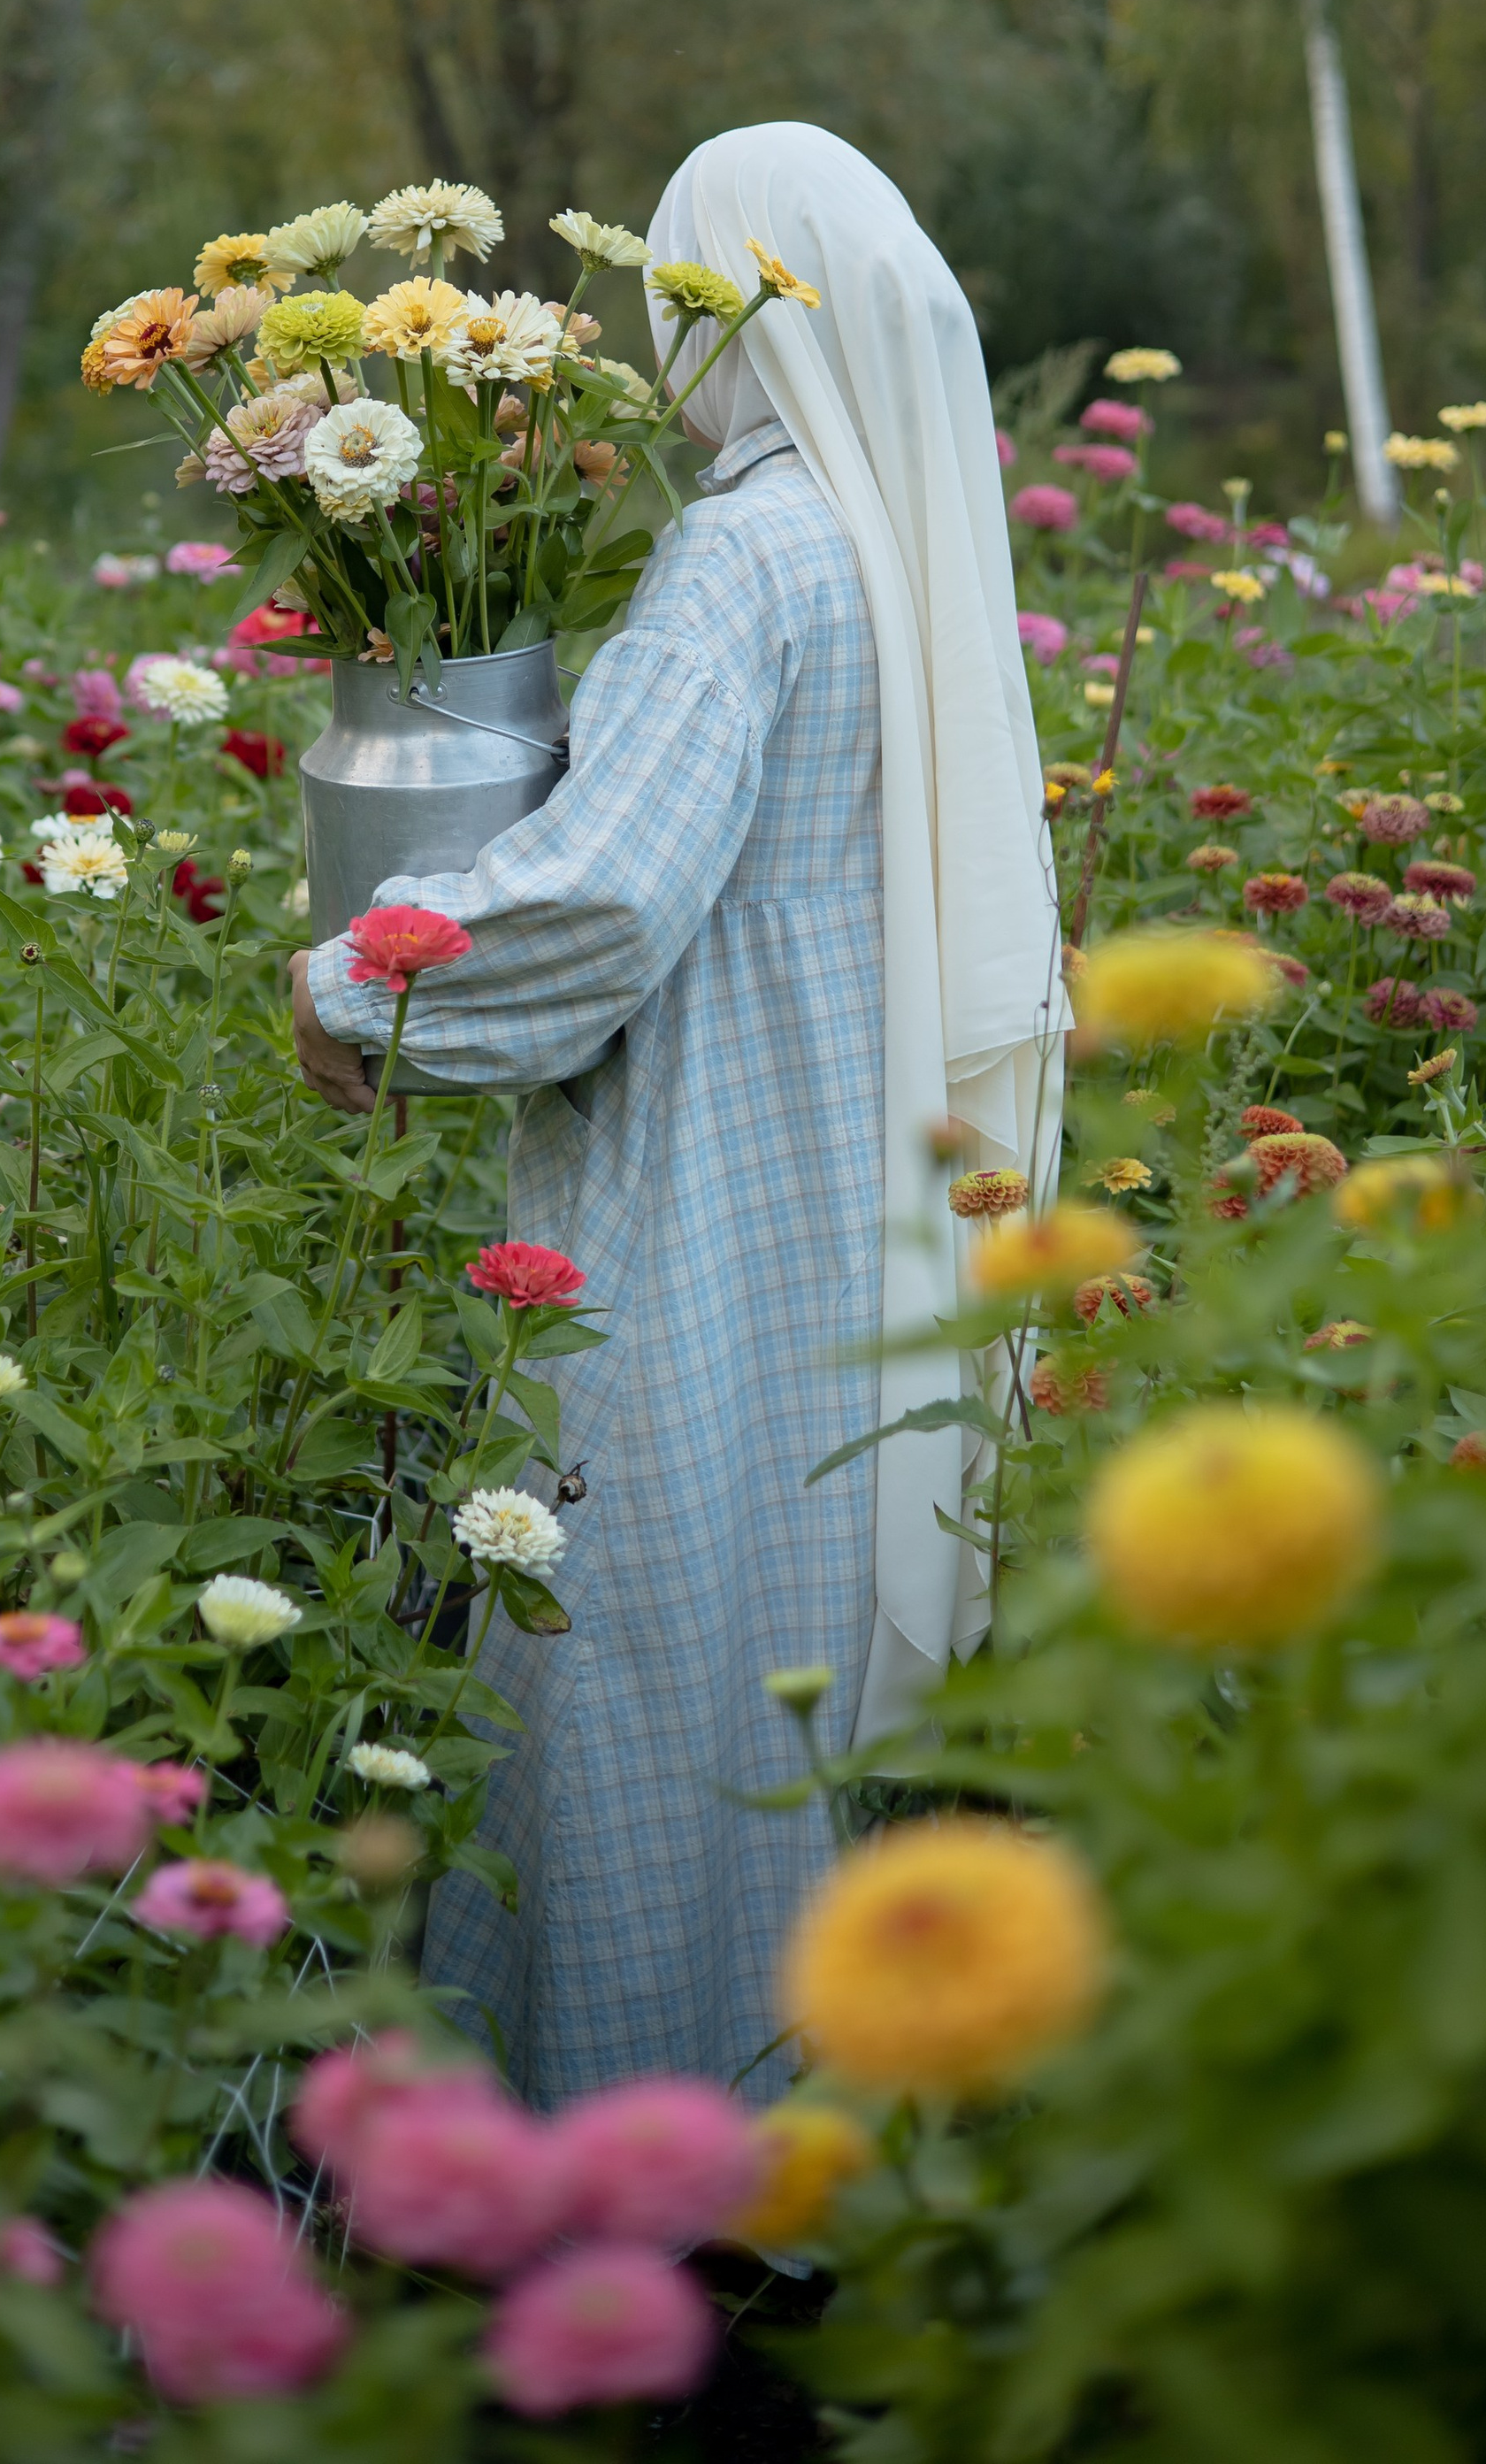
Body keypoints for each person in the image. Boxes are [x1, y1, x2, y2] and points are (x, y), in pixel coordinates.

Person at [289, 120, 1063, 2104]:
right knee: (779, 1607)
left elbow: (600, 890)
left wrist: (358, 982)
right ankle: (792, 2091)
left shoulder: (744, 555)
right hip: (857, 1162)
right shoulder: (892, 542)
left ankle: (609, 2126)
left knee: (625, 1625)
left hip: (704, 1157)